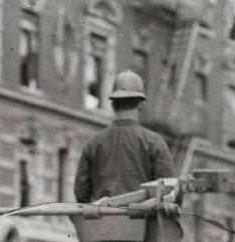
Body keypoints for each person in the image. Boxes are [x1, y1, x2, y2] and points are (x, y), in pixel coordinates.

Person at [74, 70, 176, 205]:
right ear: (141, 104)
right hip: (143, 223)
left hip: (102, 222)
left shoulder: (93, 144)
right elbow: (169, 191)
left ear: (112, 104)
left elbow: (81, 192)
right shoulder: (154, 143)